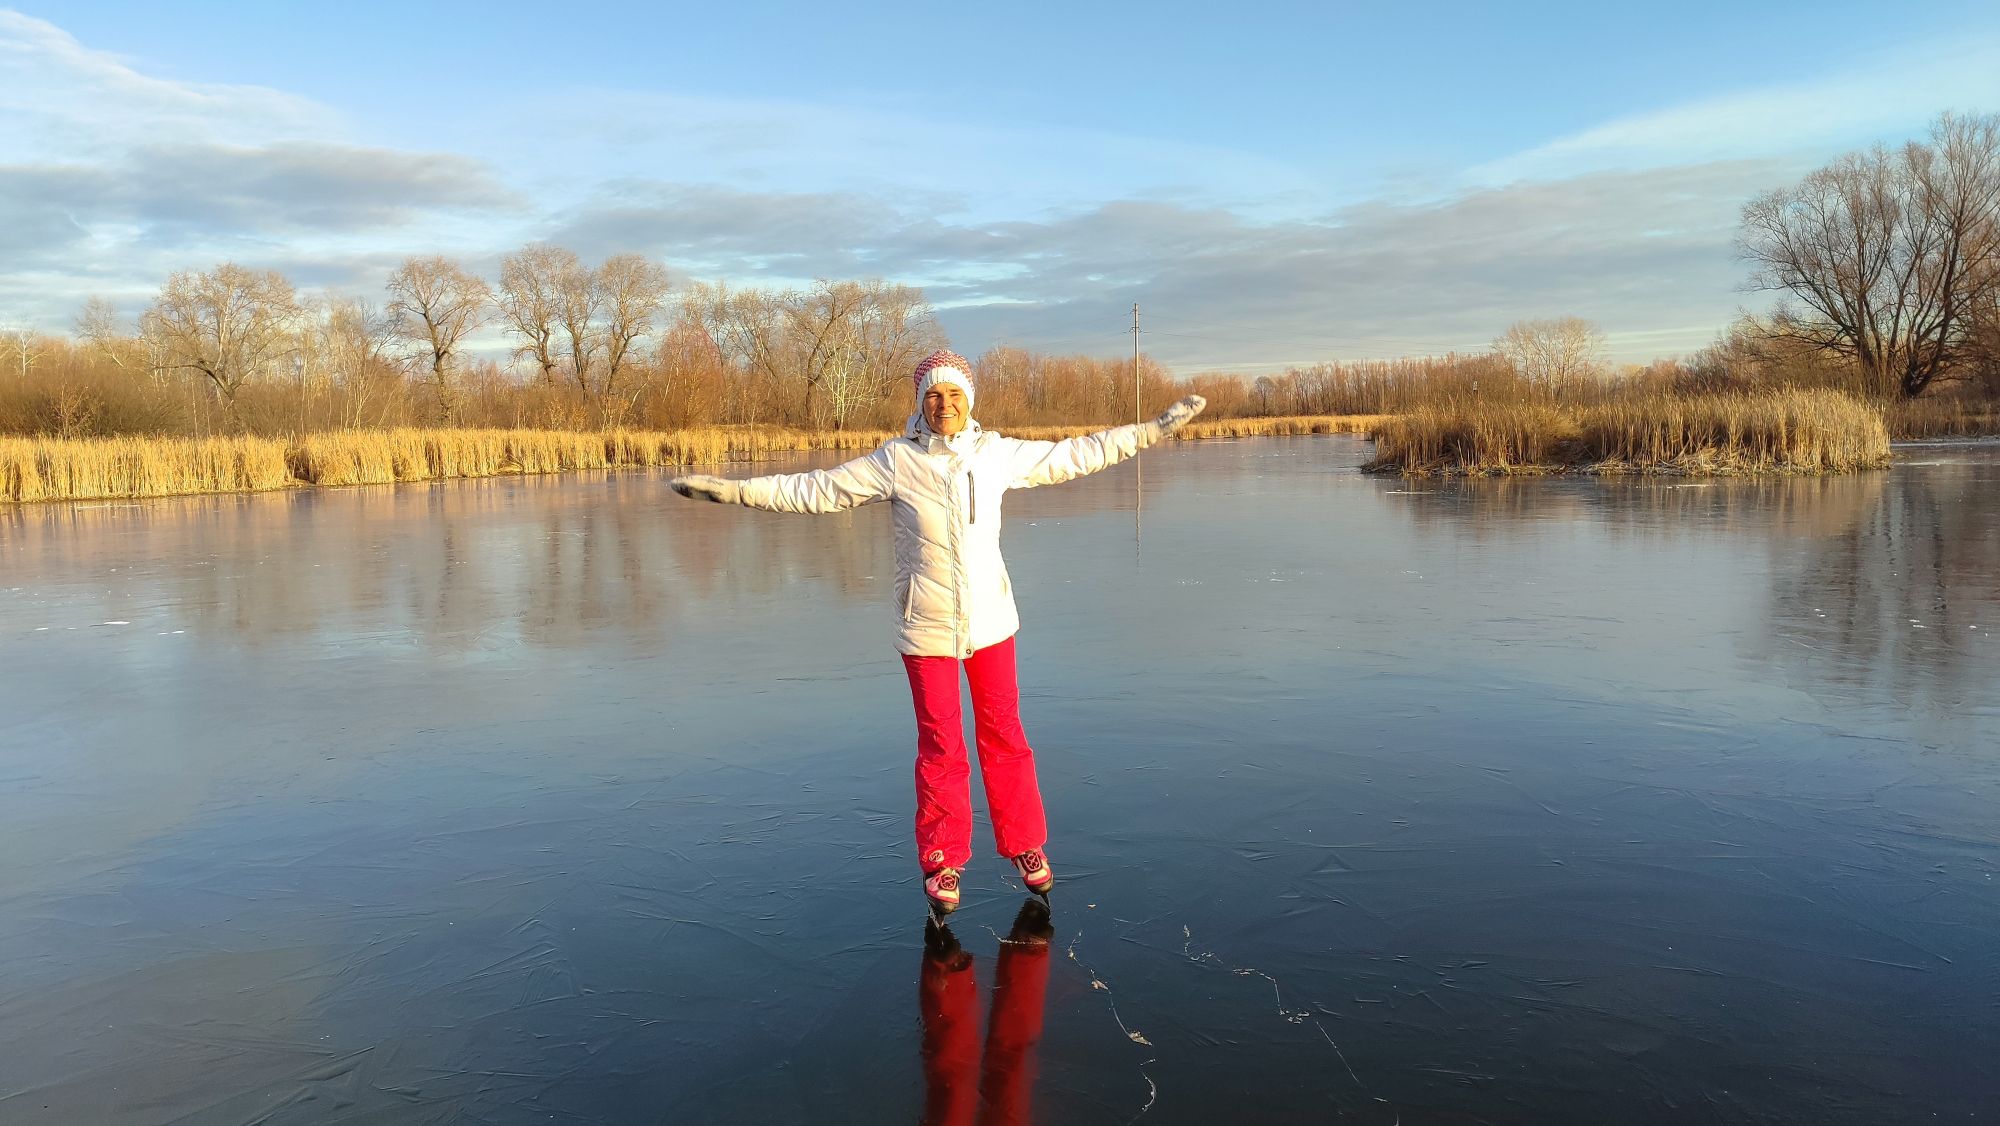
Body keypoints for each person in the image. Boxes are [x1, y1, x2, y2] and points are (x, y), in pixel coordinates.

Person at [670, 349, 1204, 915]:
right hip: (925, 627)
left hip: (990, 623)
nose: (943, 404)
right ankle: (943, 858)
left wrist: (1151, 431)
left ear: (968, 400)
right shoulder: (897, 461)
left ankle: (1025, 843)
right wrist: (735, 491)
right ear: (920, 402)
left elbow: (1076, 454)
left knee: (1004, 735)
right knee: (941, 744)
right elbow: (816, 489)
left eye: (953, 394)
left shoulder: (995, 455)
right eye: (932, 394)